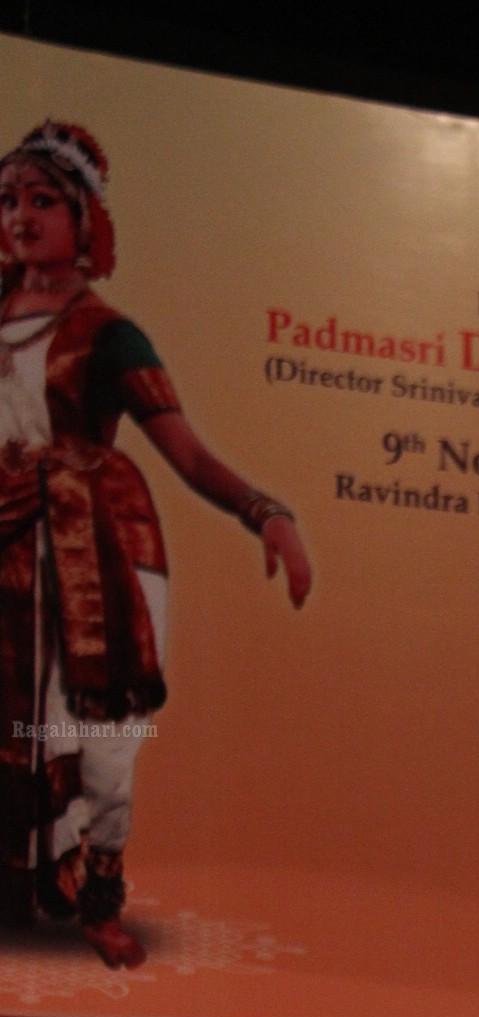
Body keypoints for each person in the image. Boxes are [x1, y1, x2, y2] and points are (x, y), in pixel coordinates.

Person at [0, 121, 310, 968]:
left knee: (101, 730)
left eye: (41, 201)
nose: (20, 217)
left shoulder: (108, 334)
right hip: (4, 541)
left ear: (85, 220)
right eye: (8, 201)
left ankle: (99, 895)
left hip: (93, 551)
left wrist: (264, 512)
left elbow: (187, 453)